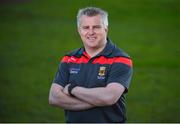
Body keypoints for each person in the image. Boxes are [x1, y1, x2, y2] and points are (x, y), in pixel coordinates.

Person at [49, 6, 133, 123]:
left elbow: (109, 97)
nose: (91, 32)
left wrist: (73, 89)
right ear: (79, 30)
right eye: (86, 27)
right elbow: (54, 98)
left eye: (96, 27)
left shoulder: (120, 59)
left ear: (106, 29)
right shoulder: (69, 59)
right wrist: (96, 101)